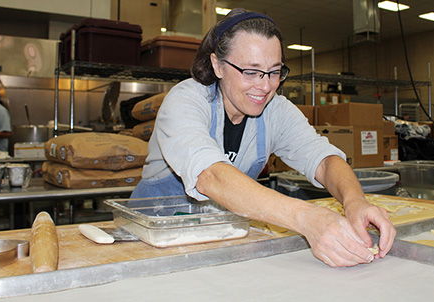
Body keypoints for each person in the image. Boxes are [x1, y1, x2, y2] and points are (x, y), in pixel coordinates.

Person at [130, 8, 396, 267]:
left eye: (275, 71)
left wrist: (354, 201)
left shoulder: (276, 111)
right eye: (251, 71)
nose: (266, 86)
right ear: (217, 65)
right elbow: (210, 176)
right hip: (151, 246)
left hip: (221, 242)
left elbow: (324, 160)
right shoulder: (186, 100)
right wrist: (307, 218)